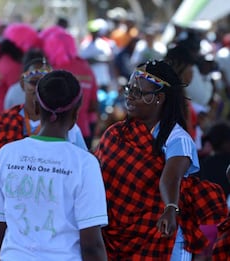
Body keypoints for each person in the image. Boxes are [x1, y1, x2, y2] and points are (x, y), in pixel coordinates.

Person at [93, 60, 227, 260]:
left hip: (162, 236)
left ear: (159, 98)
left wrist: (170, 208)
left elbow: (171, 177)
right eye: (129, 89)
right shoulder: (116, 133)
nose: (129, 96)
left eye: (139, 92)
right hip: (116, 236)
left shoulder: (177, 139)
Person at [0, 70, 108, 261]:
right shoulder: (85, 164)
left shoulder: (7, 154)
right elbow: (91, 245)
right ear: (75, 114)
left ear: (37, 108)